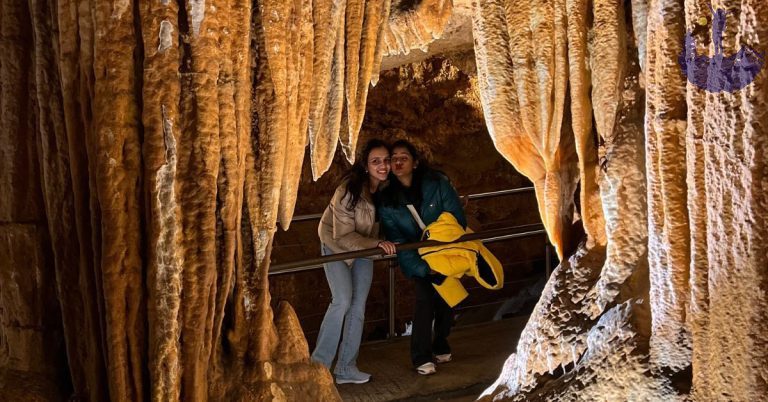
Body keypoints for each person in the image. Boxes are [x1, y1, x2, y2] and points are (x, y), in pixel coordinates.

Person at [377, 139, 467, 376]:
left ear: (415, 162)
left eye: (403, 157)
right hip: (418, 257)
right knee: (424, 301)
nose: (397, 162)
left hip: (445, 251)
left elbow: (455, 217)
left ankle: (440, 342)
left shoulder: (437, 184)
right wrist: (422, 267)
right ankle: (421, 356)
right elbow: (397, 239)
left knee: (447, 303)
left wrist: (444, 252)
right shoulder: (388, 202)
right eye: (393, 158)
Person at [312, 139, 397, 385]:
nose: (383, 166)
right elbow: (343, 235)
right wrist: (377, 245)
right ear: (365, 165)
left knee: (358, 306)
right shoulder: (348, 190)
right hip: (336, 246)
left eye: (386, 160)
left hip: (366, 248)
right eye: (376, 161)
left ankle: (345, 368)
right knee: (342, 301)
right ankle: (319, 366)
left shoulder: (387, 188)